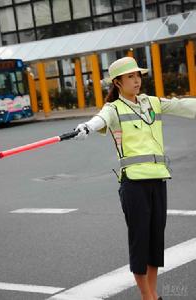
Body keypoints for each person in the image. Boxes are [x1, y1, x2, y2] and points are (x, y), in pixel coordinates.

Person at [74, 56, 196, 300]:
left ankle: (152, 294)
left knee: (155, 241)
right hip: (133, 185)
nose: (136, 80)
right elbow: (100, 120)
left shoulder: (152, 102)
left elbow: (182, 105)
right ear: (117, 82)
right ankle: (148, 297)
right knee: (140, 242)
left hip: (158, 179)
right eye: (130, 76)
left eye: (138, 75)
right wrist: (86, 127)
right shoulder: (113, 108)